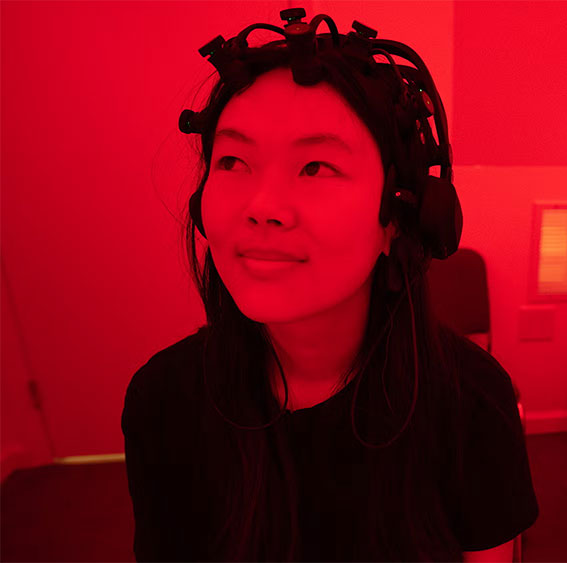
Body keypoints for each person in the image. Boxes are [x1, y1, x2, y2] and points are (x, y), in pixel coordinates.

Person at [121, 22, 538, 562]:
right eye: (233, 161)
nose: (262, 206)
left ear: (400, 213)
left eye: (315, 167)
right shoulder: (163, 399)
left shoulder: (473, 403)